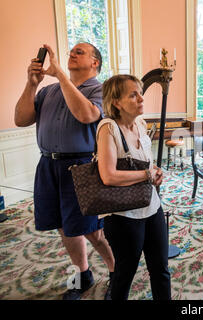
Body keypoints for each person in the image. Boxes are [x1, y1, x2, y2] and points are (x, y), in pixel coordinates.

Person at [15, 43, 115, 300]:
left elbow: (86, 115)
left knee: (93, 230)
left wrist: (59, 73)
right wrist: (32, 83)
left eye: (79, 52)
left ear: (95, 62)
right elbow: (21, 118)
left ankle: (117, 272)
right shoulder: (48, 91)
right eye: (71, 50)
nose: (72, 53)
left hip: (82, 167)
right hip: (48, 165)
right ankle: (82, 276)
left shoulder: (101, 89)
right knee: (63, 226)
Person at [97, 74, 171, 300]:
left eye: (140, 92)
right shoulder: (108, 127)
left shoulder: (141, 123)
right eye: (133, 94)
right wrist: (146, 174)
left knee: (161, 269)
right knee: (124, 274)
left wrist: (155, 172)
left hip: (152, 207)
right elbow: (108, 176)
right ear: (116, 102)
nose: (141, 98)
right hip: (123, 215)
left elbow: (145, 163)